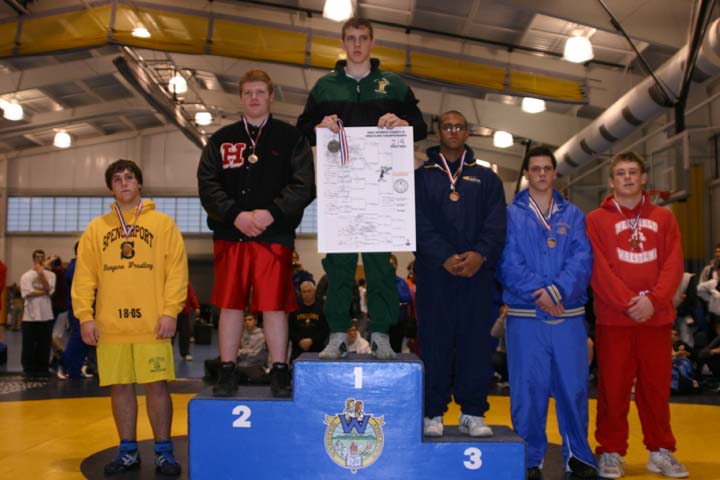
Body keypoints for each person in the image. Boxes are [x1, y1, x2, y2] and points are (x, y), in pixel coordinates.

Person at [296, 16, 427, 360]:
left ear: (372, 42)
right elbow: (302, 129)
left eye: (363, 38)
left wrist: (402, 122)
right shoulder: (325, 86)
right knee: (338, 265)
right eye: (351, 38)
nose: (357, 44)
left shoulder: (393, 85)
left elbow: (420, 126)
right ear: (343, 42)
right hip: (340, 190)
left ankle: (381, 333)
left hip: (380, 191)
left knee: (380, 266)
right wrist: (320, 124)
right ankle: (338, 334)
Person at [197, 69, 315, 398]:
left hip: (273, 235)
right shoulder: (221, 139)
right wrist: (234, 214)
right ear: (240, 97)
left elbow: (304, 185)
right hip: (230, 234)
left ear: (271, 96)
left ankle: (279, 370)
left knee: (274, 305)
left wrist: (271, 212)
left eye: (260, 92)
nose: (254, 98)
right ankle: (227, 370)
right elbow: (207, 184)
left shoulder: (291, 139)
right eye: (248, 92)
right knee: (231, 304)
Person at [72, 159, 188, 476]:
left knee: (157, 386)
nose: (124, 183)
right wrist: (85, 316)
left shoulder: (163, 224)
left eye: (129, 177)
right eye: (117, 179)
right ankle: (127, 452)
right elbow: (84, 277)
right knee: (120, 387)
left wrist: (170, 311)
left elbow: (177, 272)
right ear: (111, 188)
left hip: (153, 323)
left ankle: (163, 452)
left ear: (139, 183)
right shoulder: (96, 229)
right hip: (110, 325)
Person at [586, 151, 688, 479]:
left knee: (655, 389)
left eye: (633, 172)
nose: (628, 177)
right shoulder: (595, 220)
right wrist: (629, 302)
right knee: (613, 389)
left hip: (656, 319)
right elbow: (598, 269)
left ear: (644, 178)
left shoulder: (664, 218)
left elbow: (674, 264)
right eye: (621, 173)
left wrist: (653, 301)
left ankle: (660, 450)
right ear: (611, 181)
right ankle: (611, 450)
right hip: (615, 319)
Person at [497, 147, 597, 479]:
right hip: (526, 317)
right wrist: (540, 292)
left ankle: (578, 455)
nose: (541, 174)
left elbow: (582, 259)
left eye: (547, 168)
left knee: (574, 387)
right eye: (535, 168)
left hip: (567, 315)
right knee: (527, 390)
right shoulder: (510, 215)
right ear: (527, 174)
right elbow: (507, 261)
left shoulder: (574, 215)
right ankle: (529, 457)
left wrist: (557, 291)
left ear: (555, 173)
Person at [414, 110, 505, 438]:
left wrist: (480, 254)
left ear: (467, 133)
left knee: (475, 345)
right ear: (438, 132)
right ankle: (433, 412)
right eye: (447, 126)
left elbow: (497, 223)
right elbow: (415, 223)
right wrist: (443, 256)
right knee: (434, 344)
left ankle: (472, 412)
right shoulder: (420, 178)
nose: (453, 131)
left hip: (477, 276)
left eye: (459, 127)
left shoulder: (488, 178)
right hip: (434, 274)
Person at [19, 249, 56, 376]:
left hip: (46, 315)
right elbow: (27, 293)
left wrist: (41, 274)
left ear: (44, 259)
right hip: (30, 316)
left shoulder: (51, 275)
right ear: (33, 259)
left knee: (44, 343)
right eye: (37, 257)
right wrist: (44, 292)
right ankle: (28, 368)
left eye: (42, 257)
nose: (40, 259)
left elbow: (49, 291)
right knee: (28, 344)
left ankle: (43, 367)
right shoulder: (26, 276)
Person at [289, 281, 329, 363]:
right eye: (304, 292)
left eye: (309, 291)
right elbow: (290, 329)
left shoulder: (322, 308)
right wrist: (299, 341)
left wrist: (312, 340)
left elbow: (325, 329)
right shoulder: (294, 309)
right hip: (298, 350)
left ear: (314, 292)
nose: (306, 294)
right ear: (300, 293)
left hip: (317, 349)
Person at [175, 282, 199, 361]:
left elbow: (192, 295)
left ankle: (185, 353)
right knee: (169, 336)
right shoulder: (169, 282)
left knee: (185, 334)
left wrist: (196, 307)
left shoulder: (186, 283)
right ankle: (166, 353)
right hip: (172, 314)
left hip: (184, 313)